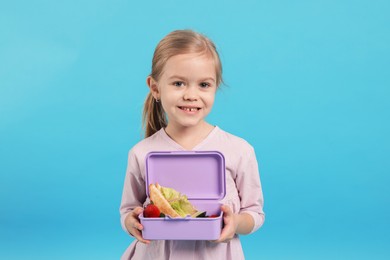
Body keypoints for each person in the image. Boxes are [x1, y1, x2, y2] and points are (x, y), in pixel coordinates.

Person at [120, 29, 265, 260]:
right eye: (178, 83)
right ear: (155, 88)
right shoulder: (141, 153)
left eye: (204, 85)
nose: (191, 95)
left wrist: (235, 222)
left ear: (216, 86)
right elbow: (128, 211)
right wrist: (132, 222)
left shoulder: (239, 150)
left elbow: (254, 214)